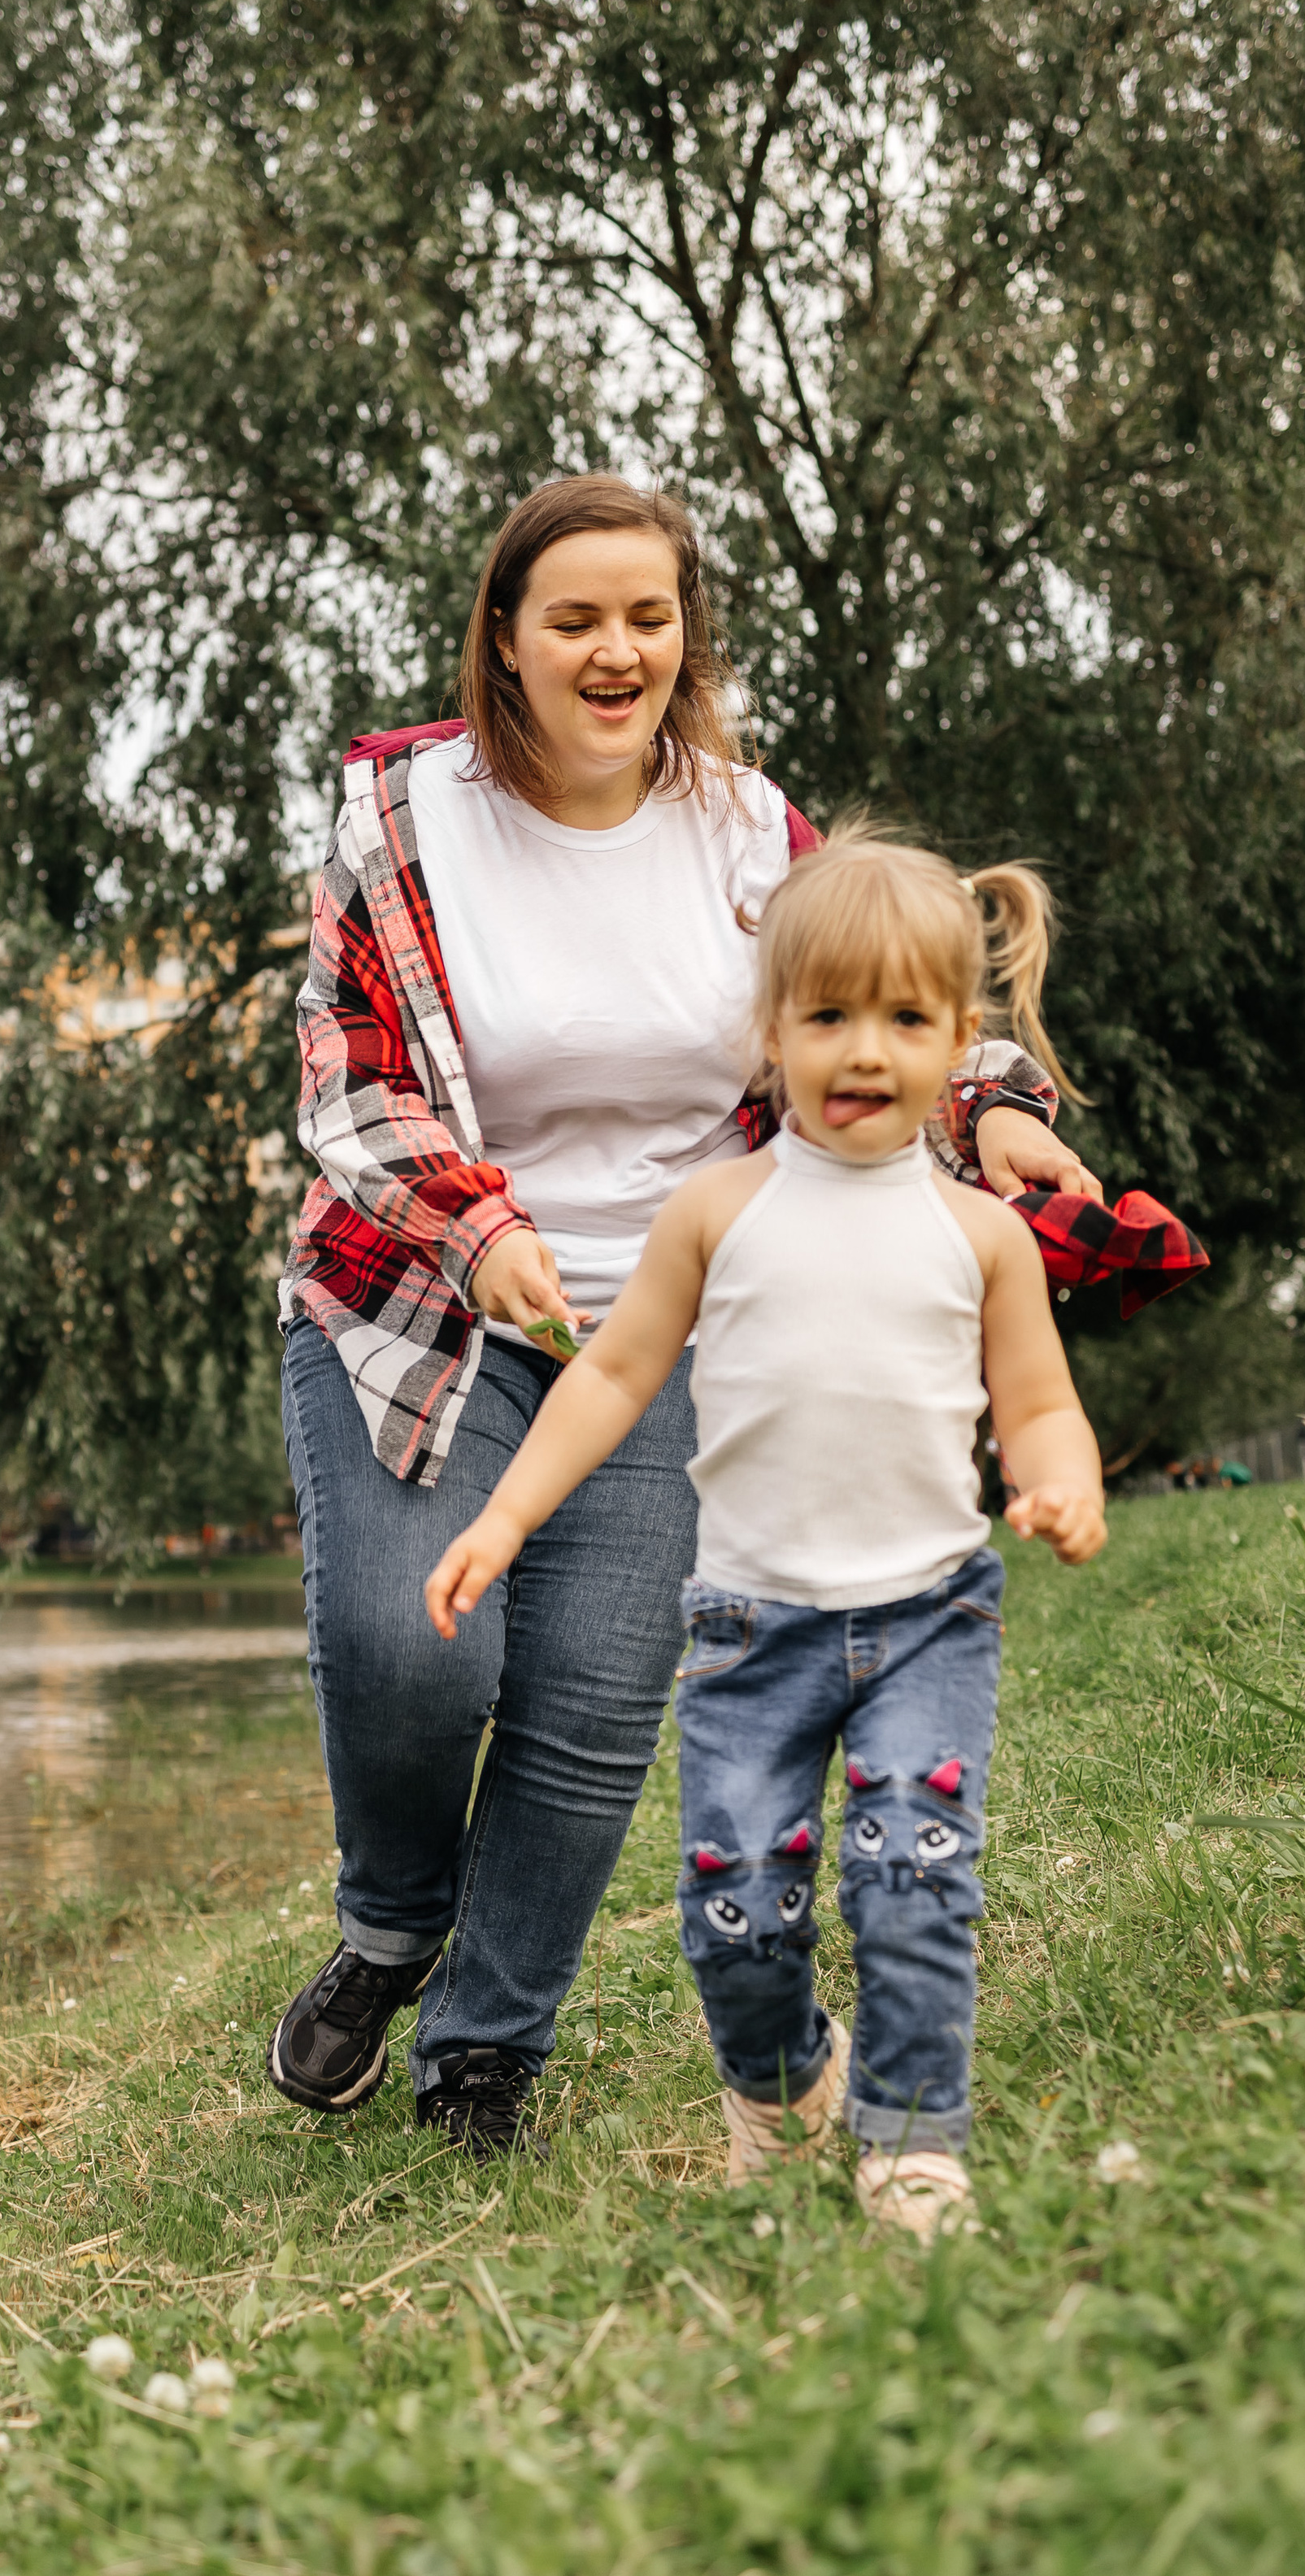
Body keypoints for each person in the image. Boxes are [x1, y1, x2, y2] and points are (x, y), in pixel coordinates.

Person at [266, 473, 1116, 2164]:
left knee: (587, 1712)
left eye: (647, 617)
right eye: (574, 618)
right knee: (411, 1654)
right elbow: (350, 1085)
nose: (616, 651)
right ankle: (392, 1926)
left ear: (684, 636)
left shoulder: (742, 827)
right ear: (504, 638)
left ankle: (484, 2049)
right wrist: (485, 1227)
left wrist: (997, 1108)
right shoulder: (403, 816)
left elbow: (868, 991)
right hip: (421, 1303)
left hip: (676, 1319)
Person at [425, 829, 1107, 2242]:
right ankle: (783, 2082)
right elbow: (611, 1377)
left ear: (957, 1043)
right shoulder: (716, 1211)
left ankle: (913, 2142)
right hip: (751, 1628)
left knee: (914, 1877)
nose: (865, 1051)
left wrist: (1062, 1484)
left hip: (927, 1617)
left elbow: (1039, 1403)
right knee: (736, 1905)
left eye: (905, 1020)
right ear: (771, 1031)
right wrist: (503, 1514)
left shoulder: (983, 1235)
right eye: (828, 1015)